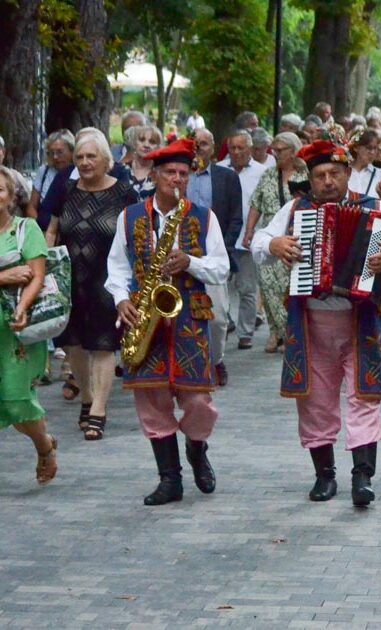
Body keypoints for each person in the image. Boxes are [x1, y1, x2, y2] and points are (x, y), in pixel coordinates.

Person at [252, 139, 381, 506]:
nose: (326, 182)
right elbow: (259, 241)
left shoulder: (376, 208)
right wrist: (274, 245)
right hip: (312, 322)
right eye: (319, 175)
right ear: (311, 178)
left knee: (363, 396)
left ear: (347, 173)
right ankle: (325, 475)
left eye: (334, 174)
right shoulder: (296, 209)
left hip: (360, 320)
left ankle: (362, 476)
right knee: (315, 400)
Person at [105, 138, 230, 505]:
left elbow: (222, 268)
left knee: (198, 401)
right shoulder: (128, 216)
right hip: (146, 316)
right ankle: (169, 479)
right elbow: (116, 266)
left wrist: (190, 262)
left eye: (183, 174)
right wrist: (122, 298)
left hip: (190, 315)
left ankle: (196, 447)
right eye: (170, 173)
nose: (177, 180)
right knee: (151, 400)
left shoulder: (205, 217)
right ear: (156, 176)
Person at [45, 130, 139, 440]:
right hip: (70, 279)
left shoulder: (124, 193)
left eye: (91, 157)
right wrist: (46, 268)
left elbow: (135, 239)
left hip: (107, 280)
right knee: (72, 343)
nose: (85, 163)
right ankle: (86, 396)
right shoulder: (66, 189)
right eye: (80, 158)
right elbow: (52, 230)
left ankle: (98, 409)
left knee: (103, 344)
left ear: (106, 162)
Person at [0, 166, 58, 485]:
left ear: (11, 197)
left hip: (13, 328)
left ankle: (44, 446)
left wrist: (22, 307)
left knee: (15, 398)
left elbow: (36, 275)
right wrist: (4, 276)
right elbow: (13, 275)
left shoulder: (25, 229)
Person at [187, 128, 244, 386]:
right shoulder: (179, 176)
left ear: (213, 147)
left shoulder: (227, 177)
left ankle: (217, 358)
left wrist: (225, 247)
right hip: (183, 255)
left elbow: (235, 217)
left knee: (219, 317)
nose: (199, 149)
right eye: (195, 144)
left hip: (215, 255)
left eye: (204, 144)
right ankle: (196, 363)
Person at [241, 132, 307, 353]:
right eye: (274, 150)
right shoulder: (269, 175)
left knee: (288, 287)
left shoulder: (305, 173)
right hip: (270, 235)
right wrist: (249, 231)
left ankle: (289, 330)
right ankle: (277, 330)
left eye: (280, 150)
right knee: (268, 286)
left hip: (295, 236)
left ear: (293, 150)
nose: (274, 154)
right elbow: (256, 204)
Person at [225, 130, 268, 351]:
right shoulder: (221, 170)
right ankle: (223, 325)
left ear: (250, 149)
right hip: (223, 238)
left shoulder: (262, 172)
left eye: (241, 148)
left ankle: (245, 332)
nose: (237, 152)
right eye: (233, 148)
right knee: (219, 286)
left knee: (247, 288)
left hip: (247, 239)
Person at [28, 130, 75, 223]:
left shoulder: (77, 172)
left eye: (60, 152)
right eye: (51, 153)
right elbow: (32, 207)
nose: (55, 157)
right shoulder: (44, 171)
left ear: (72, 151)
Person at [347, 129, 381, 205]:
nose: (373, 152)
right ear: (356, 148)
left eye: (375, 148)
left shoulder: (380, 175)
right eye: (369, 148)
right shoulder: (345, 173)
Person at [121, 125, 164, 200]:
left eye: (152, 142)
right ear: (134, 144)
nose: (146, 145)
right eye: (142, 140)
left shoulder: (162, 174)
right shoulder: (120, 170)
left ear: (158, 147)